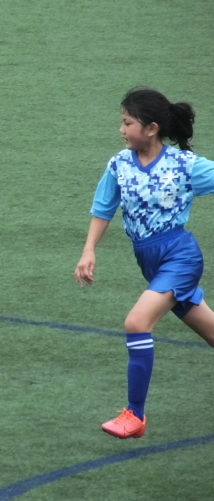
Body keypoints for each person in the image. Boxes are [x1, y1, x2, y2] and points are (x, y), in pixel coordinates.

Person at [74, 87, 214, 439]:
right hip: (151, 263)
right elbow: (103, 208)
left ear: (151, 129)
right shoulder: (119, 164)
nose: (121, 129)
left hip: (180, 257)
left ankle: (134, 415)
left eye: (127, 123)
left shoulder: (183, 165)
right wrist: (89, 250)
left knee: (136, 323)